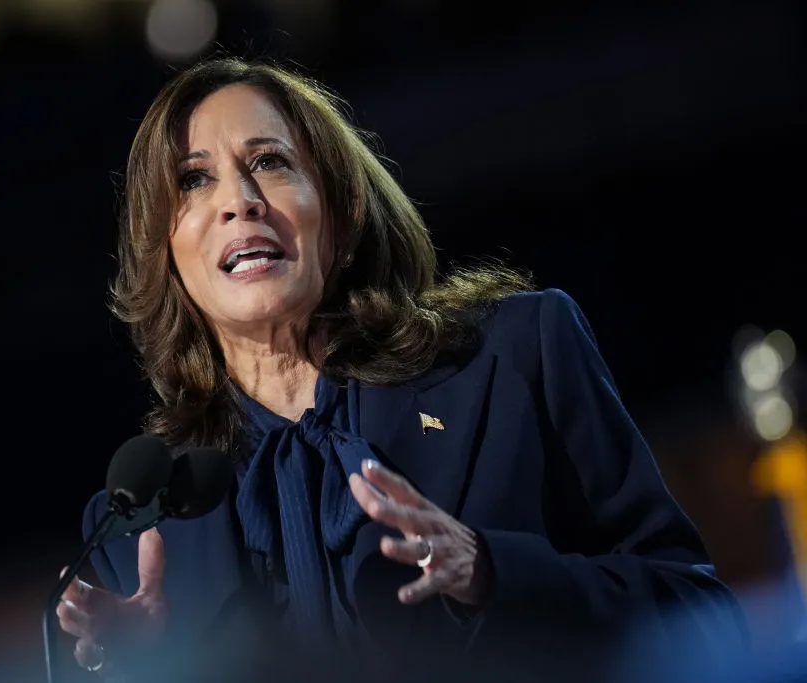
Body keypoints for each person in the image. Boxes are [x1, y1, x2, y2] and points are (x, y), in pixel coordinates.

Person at [56, 57, 747, 683]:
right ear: (165, 249)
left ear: (342, 209)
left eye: (270, 161)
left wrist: (489, 572)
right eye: (194, 179)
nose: (240, 200)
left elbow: (701, 617)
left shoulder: (513, 358)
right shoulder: (139, 524)